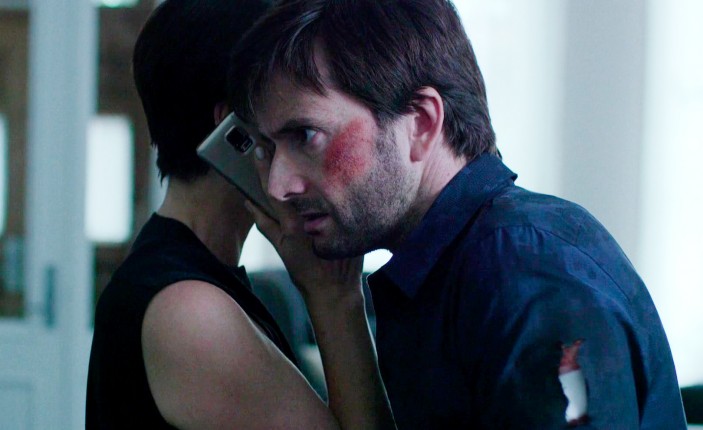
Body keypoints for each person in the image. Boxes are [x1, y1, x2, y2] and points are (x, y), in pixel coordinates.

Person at [227, 0, 688, 428]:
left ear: (422, 123)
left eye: (306, 135)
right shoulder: (456, 268)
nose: (277, 186)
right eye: (267, 148)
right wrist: (332, 296)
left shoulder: (525, 273)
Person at [85, 0, 393, 428]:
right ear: (237, 130)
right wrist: (334, 295)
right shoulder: (191, 312)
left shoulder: (184, 278)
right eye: (295, 118)